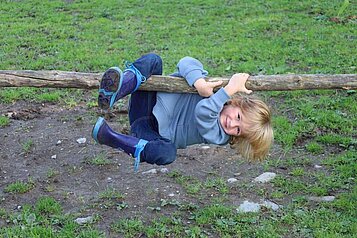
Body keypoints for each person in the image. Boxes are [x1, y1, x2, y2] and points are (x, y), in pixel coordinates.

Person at [92, 53, 273, 171]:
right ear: (237, 103)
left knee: (167, 153)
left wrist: (229, 89)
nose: (232, 124)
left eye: (239, 130)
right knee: (154, 60)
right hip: (149, 99)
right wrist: (199, 83)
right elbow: (186, 62)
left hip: (148, 128)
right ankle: (115, 92)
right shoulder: (214, 90)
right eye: (238, 117)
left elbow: (203, 112)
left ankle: (112, 138)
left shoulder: (218, 136)